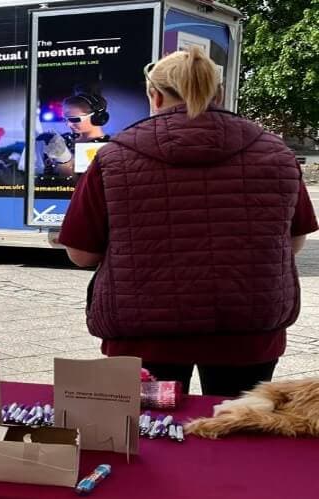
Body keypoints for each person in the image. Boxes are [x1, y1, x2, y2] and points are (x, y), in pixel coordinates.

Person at [58, 47, 317, 397]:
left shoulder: (114, 157)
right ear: (220, 94)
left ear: (155, 95)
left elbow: (81, 254)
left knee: (150, 438)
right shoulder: (275, 153)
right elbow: (293, 240)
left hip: (144, 333)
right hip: (248, 332)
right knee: (235, 433)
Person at [40, 91, 110, 179]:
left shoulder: (106, 148)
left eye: (74, 119)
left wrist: (64, 160)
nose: (68, 124)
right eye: (65, 119)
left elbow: (79, 187)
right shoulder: (65, 138)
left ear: (97, 118)